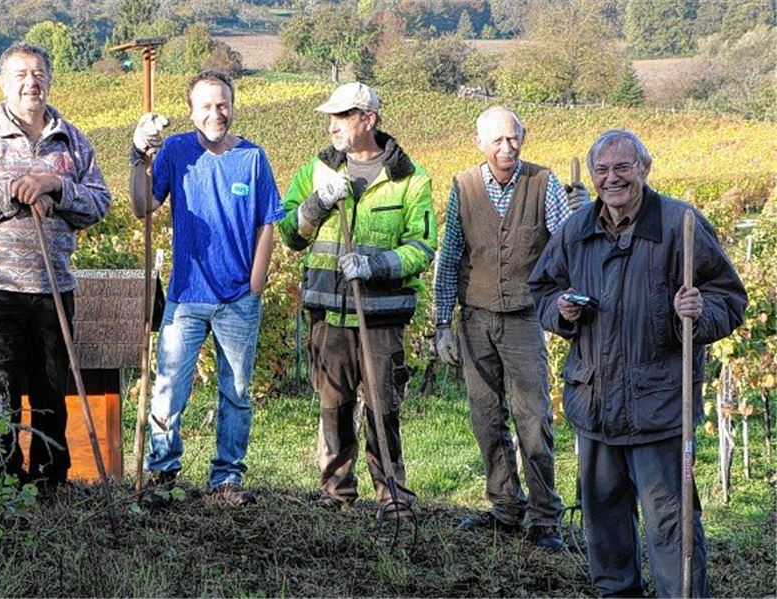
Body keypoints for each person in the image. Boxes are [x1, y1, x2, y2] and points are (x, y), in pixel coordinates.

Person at [529, 129, 746, 596]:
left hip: (661, 410)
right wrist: (561, 310)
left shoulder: (679, 224)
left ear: (645, 170)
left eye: (623, 168)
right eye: (602, 170)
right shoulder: (576, 229)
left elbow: (728, 298)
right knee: (604, 526)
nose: (612, 179)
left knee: (671, 527)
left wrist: (699, 311)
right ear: (592, 176)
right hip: (596, 406)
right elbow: (542, 290)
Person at [0, 42, 111, 487]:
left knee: (52, 389)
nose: (30, 82)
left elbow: (99, 204)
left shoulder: (71, 139)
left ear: (50, 80)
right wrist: (10, 190)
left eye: (38, 73)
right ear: (3, 83)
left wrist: (57, 186)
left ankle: (49, 481)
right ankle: (2, 482)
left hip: (52, 285)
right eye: (20, 74)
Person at [433, 106, 587, 550]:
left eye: (513, 138)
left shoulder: (544, 183)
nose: (506, 147)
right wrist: (443, 322)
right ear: (480, 143)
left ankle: (545, 519)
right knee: (485, 418)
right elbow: (449, 258)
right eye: (497, 140)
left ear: (523, 138)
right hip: (475, 317)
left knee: (533, 418)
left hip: (524, 316)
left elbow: (567, 245)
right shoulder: (463, 186)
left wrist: (582, 215)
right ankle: (504, 507)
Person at [277, 82, 434, 517]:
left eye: (343, 117)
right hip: (328, 311)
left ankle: (393, 495)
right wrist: (317, 204)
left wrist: (375, 266)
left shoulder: (410, 179)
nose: (333, 126)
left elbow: (422, 247)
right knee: (333, 405)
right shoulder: (317, 170)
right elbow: (290, 234)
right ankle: (336, 490)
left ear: (369, 120)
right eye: (331, 117)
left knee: (383, 407)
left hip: (381, 317)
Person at [130, 69, 283, 505]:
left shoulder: (253, 158)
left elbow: (267, 222)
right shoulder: (175, 150)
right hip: (185, 295)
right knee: (168, 388)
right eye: (206, 106)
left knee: (235, 392)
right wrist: (137, 153)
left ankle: (227, 479)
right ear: (191, 112)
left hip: (238, 300)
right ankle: (161, 474)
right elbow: (144, 205)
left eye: (222, 105)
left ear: (232, 106)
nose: (216, 113)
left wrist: (255, 284)